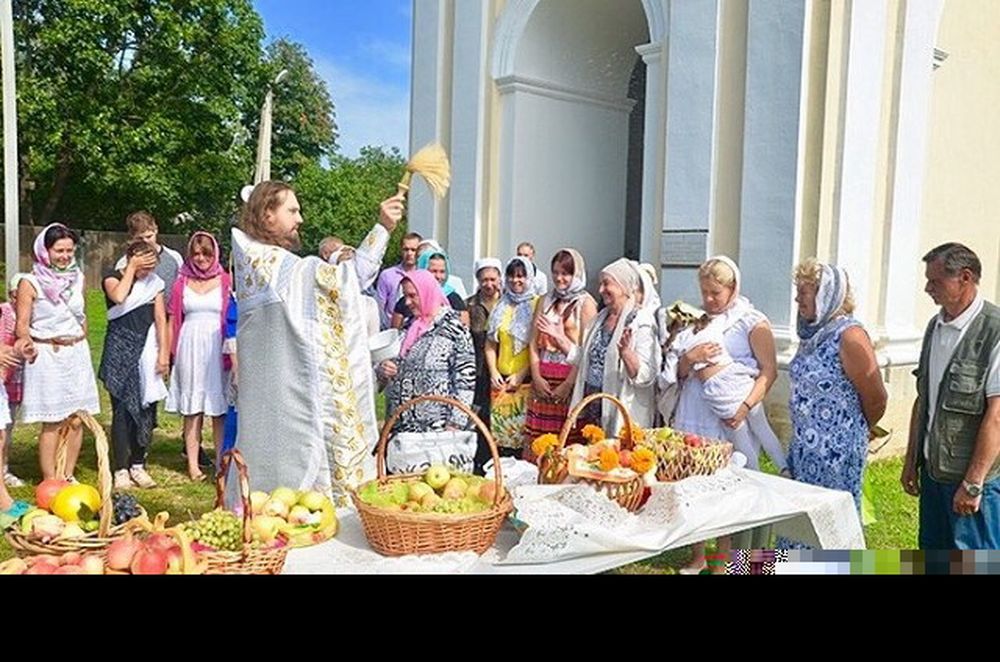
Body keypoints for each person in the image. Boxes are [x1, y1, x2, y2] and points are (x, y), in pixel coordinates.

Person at [233, 181, 403, 505]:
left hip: (275, 399)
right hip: (283, 405)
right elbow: (347, 281)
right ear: (267, 214)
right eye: (292, 210)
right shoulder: (267, 262)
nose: (300, 219)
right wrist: (382, 228)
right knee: (283, 499)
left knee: (275, 499)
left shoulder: (259, 259)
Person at [659, 255, 782, 573]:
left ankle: (722, 558)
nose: (709, 300)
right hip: (694, 409)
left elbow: (769, 372)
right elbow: (680, 371)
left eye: (715, 293)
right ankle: (698, 552)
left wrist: (743, 409)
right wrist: (690, 357)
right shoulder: (700, 321)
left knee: (723, 484)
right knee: (693, 481)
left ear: (733, 288)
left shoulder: (751, 321)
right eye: (705, 293)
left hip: (727, 414)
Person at [902, 243, 1000, 550]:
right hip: (935, 475)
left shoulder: (994, 331)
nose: (927, 288)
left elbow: (996, 417)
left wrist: (973, 483)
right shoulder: (936, 325)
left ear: (965, 277)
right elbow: (923, 398)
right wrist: (911, 460)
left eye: (935, 281)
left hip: (973, 483)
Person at [16, 223, 101, 481]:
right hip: (48, 354)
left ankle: (67, 473)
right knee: (52, 420)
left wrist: (80, 334)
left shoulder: (78, 278)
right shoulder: (29, 282)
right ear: (45, 251)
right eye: (58, 251)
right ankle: (50, 478)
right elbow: (22, 323)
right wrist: (26, 342)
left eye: (69, 251)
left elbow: (81, 313)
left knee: (76, 419)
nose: (64, 256)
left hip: (75, 353)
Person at [559, 259, 660, 433]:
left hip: (621, 413)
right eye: (600, 284)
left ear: (624, 286)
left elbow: (646, 376)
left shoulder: (641, 322)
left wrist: (627, 354)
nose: (600, 290)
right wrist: (560, 339)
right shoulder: (600, 318)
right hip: (594, 409)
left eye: (606, 284)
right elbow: (587, 360)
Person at [100, 240, 170, 489]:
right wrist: (131, 269)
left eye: (151, 266)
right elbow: (118, 297)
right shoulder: (111, 276)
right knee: (122, 410)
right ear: (130, 259)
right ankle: (120, 467)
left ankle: (138, 463)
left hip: (147, 352)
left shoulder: (155, 284)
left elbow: (161, 319)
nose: (147, 272)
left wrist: (163, 354)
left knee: (146, 409)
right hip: (120, 348)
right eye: (143, 265)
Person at [166, 232, 231, 481]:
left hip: (217, 346)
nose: (201, 258)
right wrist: (170, 352)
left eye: (206, 253)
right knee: (193, 410)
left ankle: (220, 464)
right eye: (196, 254)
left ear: (215, 254)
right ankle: (193, 464)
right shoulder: (181, 282)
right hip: (190, 345)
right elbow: (173, 317)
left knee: (218, 409)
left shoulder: (226, 280)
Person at [378, 269, 476, 436]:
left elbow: (465, 380)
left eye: (412, 296)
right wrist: (383, 370)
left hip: (437, 432)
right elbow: (393, 367)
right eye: (405, 296)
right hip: (402, 429)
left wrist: (455, 426)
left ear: (427, 292)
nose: (407, 302)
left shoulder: (454, 329)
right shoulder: (408, 328)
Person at [525, 249, 598, 459]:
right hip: (544, 374)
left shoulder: (586, 303)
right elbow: (533, 342)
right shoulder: (545, 300)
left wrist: (569, 384)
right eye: (555, 272)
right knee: (539, 443)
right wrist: (536, 376)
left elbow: (585, 350)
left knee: (565, 441)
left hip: (569, 376)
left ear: (576, 274)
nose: (559, 278)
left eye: (565, 273)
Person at [485, 257, 539, 456]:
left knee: (524, 440)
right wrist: (493, 372)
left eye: (521, 276)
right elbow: (490, 343)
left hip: (526, 381)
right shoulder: (502, 304)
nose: (516, 280)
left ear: (529, 277)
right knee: (502, 439)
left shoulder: (537, 304)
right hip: (501, 383)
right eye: (512, 276)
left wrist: (521, 374)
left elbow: (538, 345)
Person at [466, 257, 503, 470]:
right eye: (484, 280)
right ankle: (480, 460)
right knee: (480, 416)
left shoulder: (508, 302)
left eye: (492, 279)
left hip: (503, 371)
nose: (489, 284)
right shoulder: (470, 305)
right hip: (479, 372)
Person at [114, 210, 184, 307]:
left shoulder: (174, 257)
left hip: (168, 313)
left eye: (149, 236)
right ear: (132, 237)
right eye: (140, 238)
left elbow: (180, 289)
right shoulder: (124, 262)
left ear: (156, 230)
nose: (145, 241)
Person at [320, 236, 381, 338]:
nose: (347, 254)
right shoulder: (317, 289)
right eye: (340, 251)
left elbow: (373, 338)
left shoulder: (368, 304)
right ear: (326, 255)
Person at [390, 249, 469, 328]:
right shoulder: (408, 301)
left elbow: (464, 329)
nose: (438, 276)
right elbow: (395, 332)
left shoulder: (453, 299)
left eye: (442, 272)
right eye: (433, 271)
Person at [1, 275, 25, 487]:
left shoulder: (31, 316)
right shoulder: (4, 313)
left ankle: (4, 469)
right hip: (2, 379)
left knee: (7, 428)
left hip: (15, 382)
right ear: (12, 295)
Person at [375, 232, 422, 328]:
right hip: (391, 328)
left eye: (413, 250)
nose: (409, 253)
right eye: (406, 249)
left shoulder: (423, 275)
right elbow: (379, 305)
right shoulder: (387, 275)